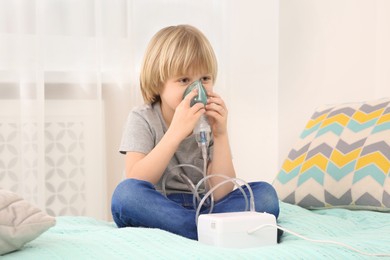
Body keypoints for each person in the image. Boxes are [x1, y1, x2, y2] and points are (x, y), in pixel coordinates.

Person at [111, 24, 280, 240]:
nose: (197, 89)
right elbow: (136, 178)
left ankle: (195, 228)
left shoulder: (209, 122)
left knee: (266, 196)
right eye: (184, 80)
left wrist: (220, 134)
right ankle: (203, 230)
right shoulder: (142, 117)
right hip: (160, 205)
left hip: (206, 205)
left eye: (205, 79)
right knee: (125, 196)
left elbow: (221, 191)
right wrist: (175, 133)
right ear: (157, 83)